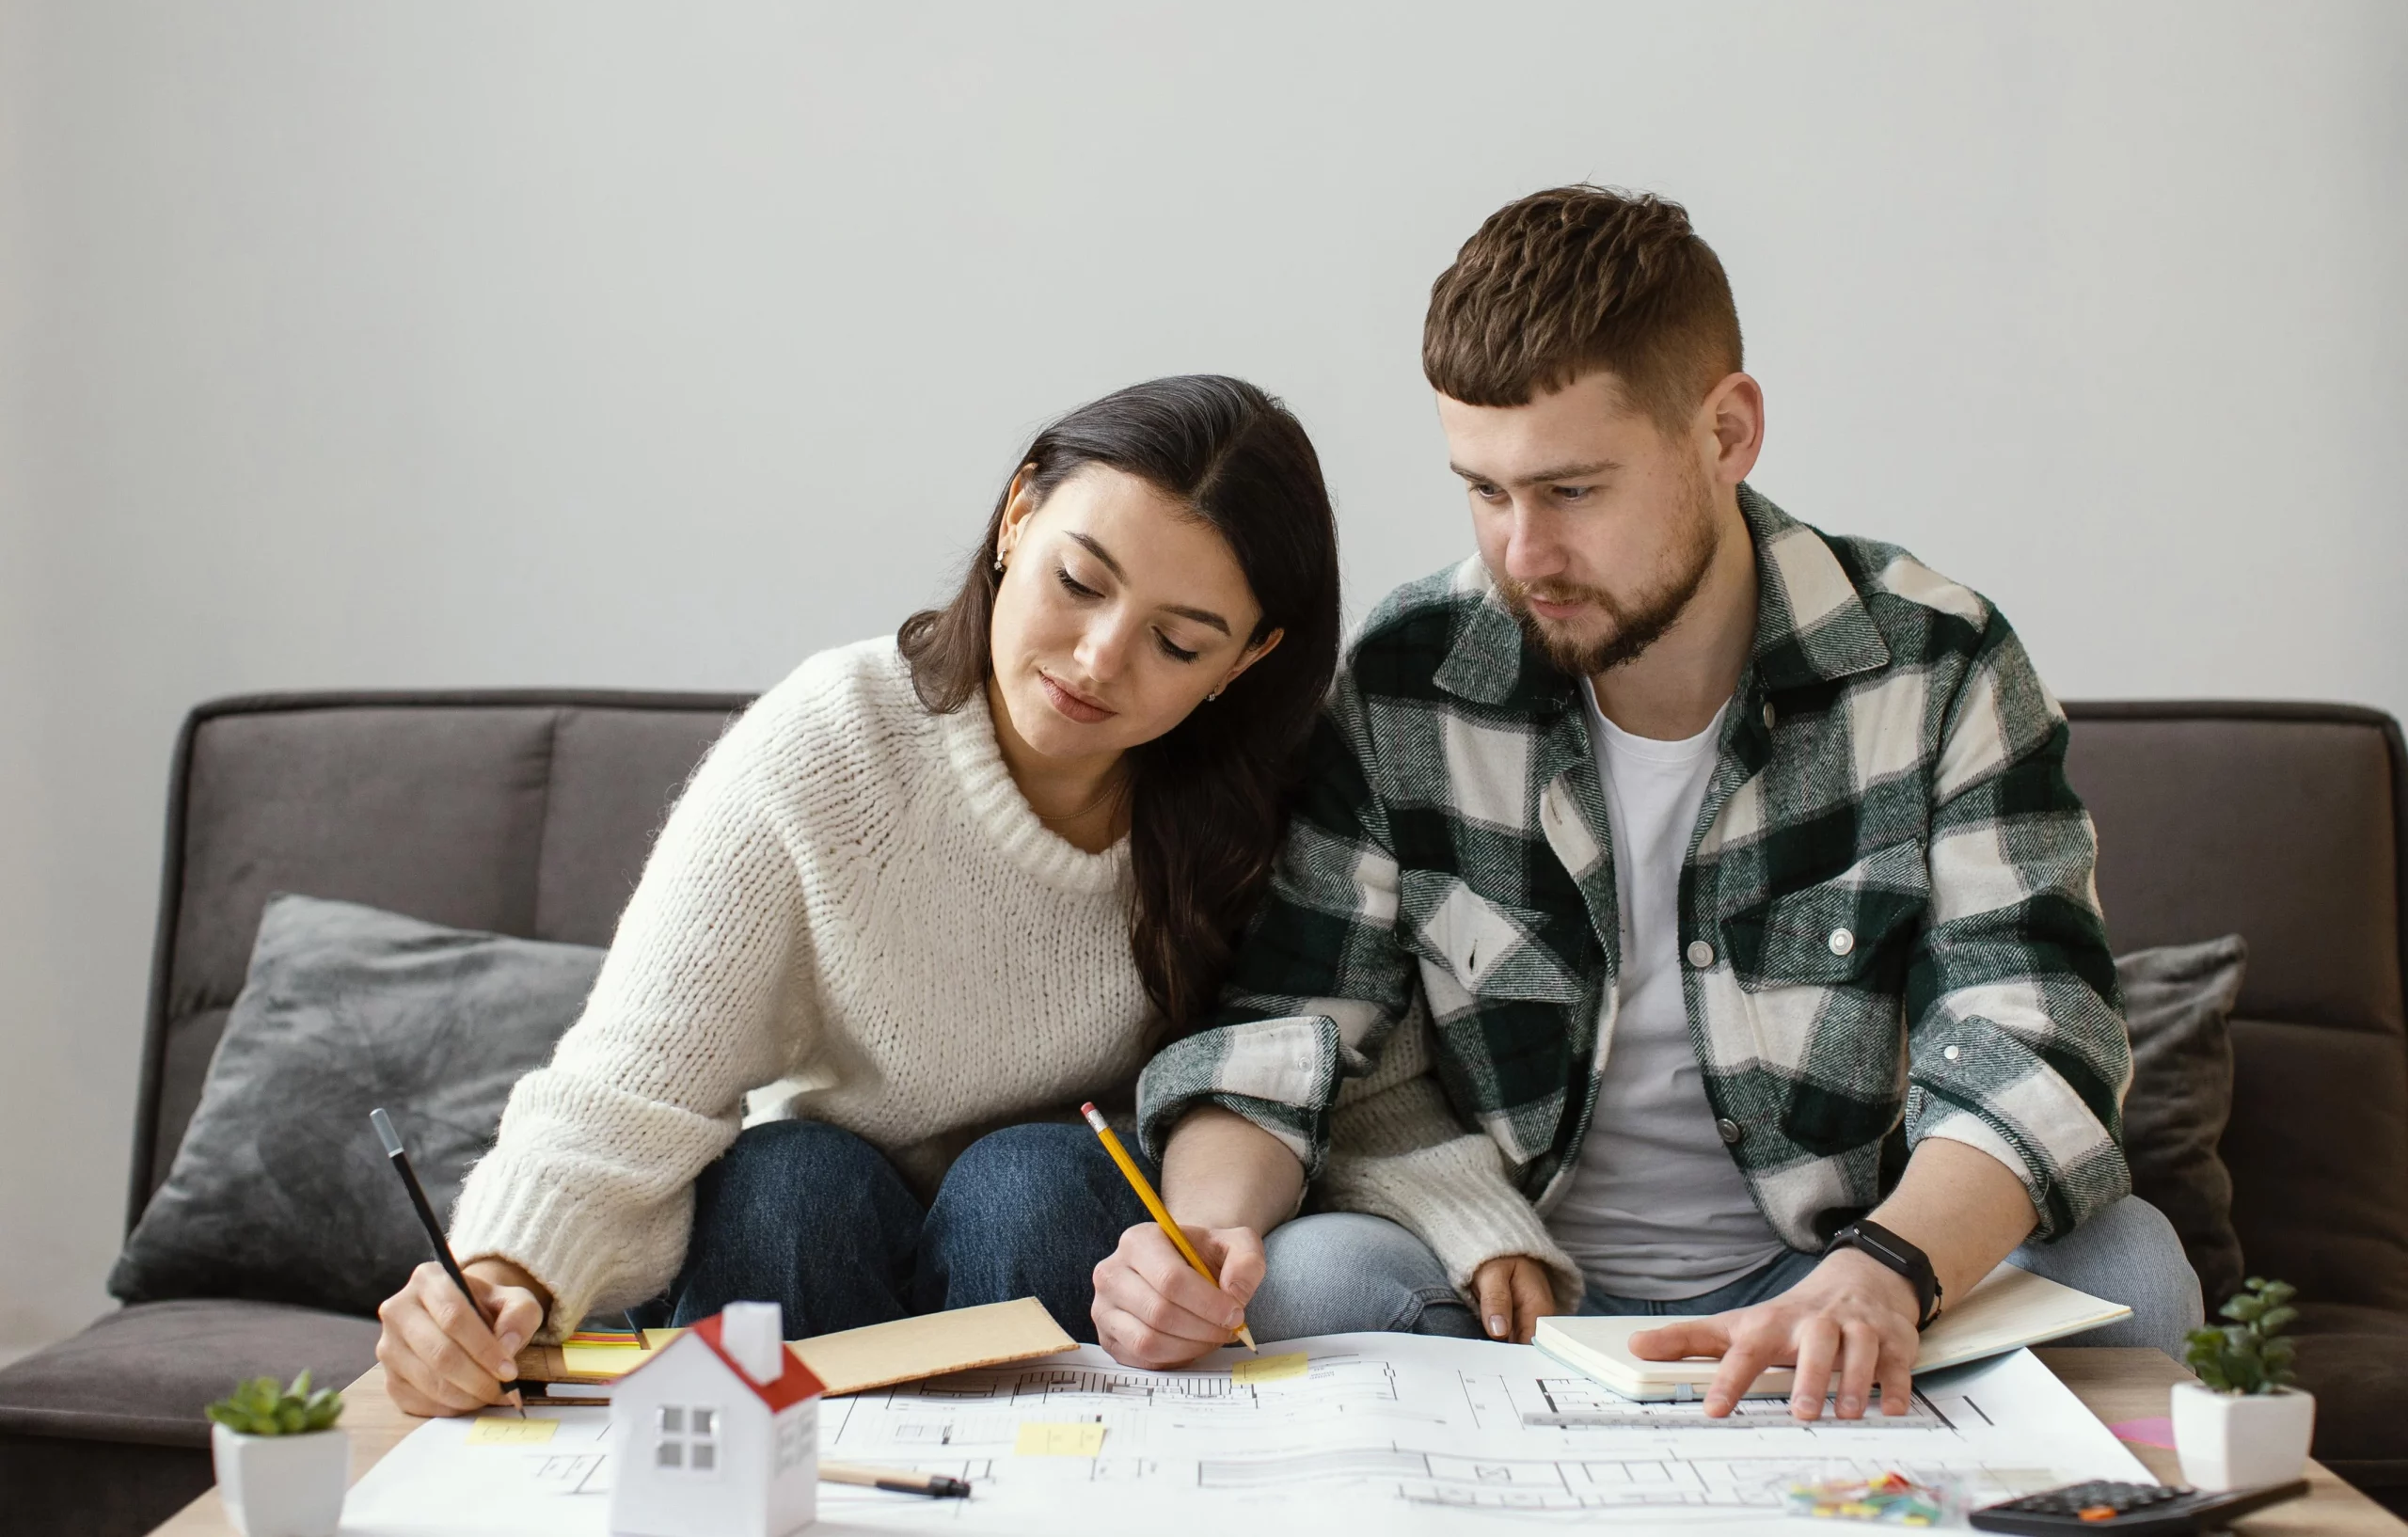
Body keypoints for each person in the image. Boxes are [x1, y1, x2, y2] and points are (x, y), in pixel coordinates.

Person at [1096, 188, 2201, 1422]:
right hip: (1514, 1282)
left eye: (1571, 491)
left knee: (2131, 1267)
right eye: (1485, 489)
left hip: (1836, 1260)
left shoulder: (1935, 661)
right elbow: (1292, 1019)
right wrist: (1196, 1243)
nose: (1521, 553)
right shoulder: (1414, 670)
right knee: (1305, 1277)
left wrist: (1886, 1267)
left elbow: (2036, 1027)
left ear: (1727, 432)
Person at [374, 375, 1341, 1418]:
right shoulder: (831, 744)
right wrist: (504, 1278)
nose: (1097, 658)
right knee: (786, 1178)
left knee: (1024, 1180)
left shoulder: (1269, 808)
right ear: (1018, 515)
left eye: (1177, 643)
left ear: (1246, 659)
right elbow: (631, 1079)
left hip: (1065, 1230)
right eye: (1078, 580)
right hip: (814, 1227)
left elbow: (1334, 1060)